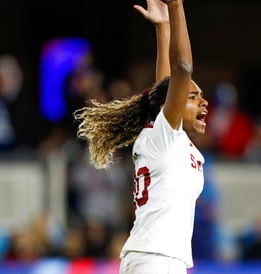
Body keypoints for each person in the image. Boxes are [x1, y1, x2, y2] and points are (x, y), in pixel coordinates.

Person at [74, 0, 208, 273]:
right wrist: (176, 6)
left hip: (158, 257)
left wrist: (163, 28)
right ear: (171, 103)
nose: (203, 102)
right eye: (192, 96)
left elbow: (164, 86)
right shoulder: (163, 137)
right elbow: (181, 68)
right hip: (156, 258)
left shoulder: (170, 139)